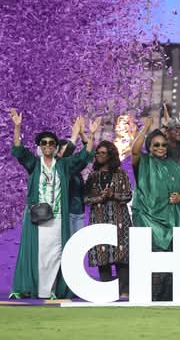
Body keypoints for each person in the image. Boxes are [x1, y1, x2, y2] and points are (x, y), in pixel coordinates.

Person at [9, 111, 96, 299]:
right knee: (38, 253)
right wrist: (17, 127)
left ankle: (52, 290)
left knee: (56, 252)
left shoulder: (63, 165)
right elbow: (18, 150)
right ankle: (36, 288)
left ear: (56, 147)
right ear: (40, 146)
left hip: (57, 217)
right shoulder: (34, 164)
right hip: (38, 218)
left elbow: (84, 155)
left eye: (51, 143)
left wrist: (90, 134)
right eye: (44, 143)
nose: (47, 145)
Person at [132, 117, 180, 301]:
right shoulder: (144, 163)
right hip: (150, 221)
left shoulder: (173, 166)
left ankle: (170, 302)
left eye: (163, 145)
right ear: (149, 147)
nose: (161, 148)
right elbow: (135, 151)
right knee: (155, 266)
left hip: (173, 221)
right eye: (156, 145)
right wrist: (145, 128)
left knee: (173, 268)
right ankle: (152, 301)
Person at [84, 140, 133, 298]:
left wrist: (113, 195)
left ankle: (124, 291)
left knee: (122, 255)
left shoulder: (121, 173)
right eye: (97, 153)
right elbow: (85, 198)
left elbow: (128, 195)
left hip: (119, 219)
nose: (99, 155)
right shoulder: (93, 176)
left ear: (111, 155)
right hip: (99, 218)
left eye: (103, 153)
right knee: (102, 254)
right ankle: (107, 292)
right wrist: (99, 198)